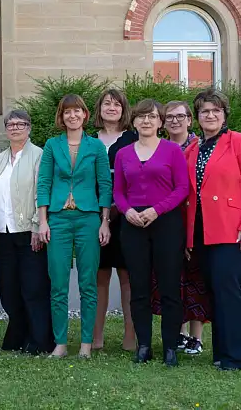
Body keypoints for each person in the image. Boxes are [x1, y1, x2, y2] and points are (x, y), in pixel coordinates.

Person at [185, 88, 241, 371]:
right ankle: (220, 353)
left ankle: (234, 357)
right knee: (214, 291)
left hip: (232, 230)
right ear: (196, 117)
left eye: (215, 111)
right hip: (201, 232)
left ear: (224, 114)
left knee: (228, 290)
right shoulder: (193, 149)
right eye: (204, 111)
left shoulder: (240, 142)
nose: (210, 115)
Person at [113, 99, 189, 366]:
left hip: (166, 223)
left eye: (152, 117)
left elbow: (182, 188)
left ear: (160, 122)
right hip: (133, 226)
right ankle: (143, 345)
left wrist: (157, 210)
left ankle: (170, 346)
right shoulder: (124, 154)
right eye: (141, 117)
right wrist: (127, 210)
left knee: (169, 287)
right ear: (133, 122)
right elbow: (118, 192)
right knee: (139, 288)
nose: (146, 121)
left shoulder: (171, 151)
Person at [37, 94, 112, 359]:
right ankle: (60, 343)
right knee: (58, 283)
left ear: (84, 115)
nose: (72, 115)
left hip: (88, 219)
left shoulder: (96, 147)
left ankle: (86, 345)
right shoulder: (51, 145)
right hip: (57, 219)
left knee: (88, 283)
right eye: (67, 111)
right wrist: (42, 220)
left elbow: (105, 184)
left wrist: (105, 222)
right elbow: (43, 183)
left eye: (77, 111)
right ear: (62, 116)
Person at [0, 109, 53, 355]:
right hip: (4, 232)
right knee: (9, 289)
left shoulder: (40, 156)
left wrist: (38, 225)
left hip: (30, 232)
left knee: (33, 288)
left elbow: (41, 193)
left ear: (29, 127)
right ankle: (17, 335)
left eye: (20, 124)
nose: (15, 128)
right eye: (10, 124)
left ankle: (39, 340)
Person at [157, 100, 209, 355]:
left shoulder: (201, 147)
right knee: (172, 279)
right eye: (169, 117)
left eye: (180, 116)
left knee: (195, 278)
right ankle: (179, 332)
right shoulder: (159, 148)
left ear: (190, 119)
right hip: (166, 221)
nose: (174, 121)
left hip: (195, 221)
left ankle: (196, 336)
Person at [91, 89, 136, 351]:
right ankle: (97, 336)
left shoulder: (133, 138)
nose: (111, 107)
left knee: (127, 278)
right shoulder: (88, 140)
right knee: (99, 277)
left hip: (126, 215)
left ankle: (130, 336)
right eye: (107, 103)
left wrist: (118, 208)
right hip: (94, 217)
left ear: (124, 109)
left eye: (117, 104)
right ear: (99, 109)